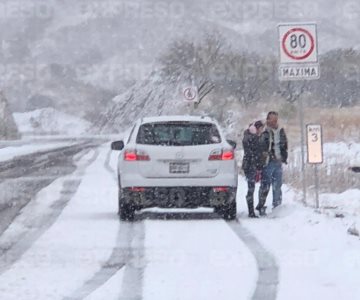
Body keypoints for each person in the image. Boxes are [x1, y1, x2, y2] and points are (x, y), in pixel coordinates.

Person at [257, 111, 288, 216]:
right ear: (268, 120)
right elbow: (261, 146)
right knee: (265, 186)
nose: (274, 122)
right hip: (268, 162)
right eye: (272, 119)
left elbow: (284, 145)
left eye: (276, 119)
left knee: (277, 185)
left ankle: (277, 207)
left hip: (278, 162)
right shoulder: (264, 132)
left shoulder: (281, 131)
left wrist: (284, 157)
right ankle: (261, 206)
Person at [242, 120, 265, 218]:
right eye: (261, 129)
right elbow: (256, 154)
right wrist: (258, 165)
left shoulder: (248, 136)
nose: (262, 131)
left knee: (251, 188)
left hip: (249, 165)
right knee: (251, 189)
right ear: (258, 128)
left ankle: (251, 210)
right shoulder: (253, 138)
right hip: (251, 165)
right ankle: (251, 211)